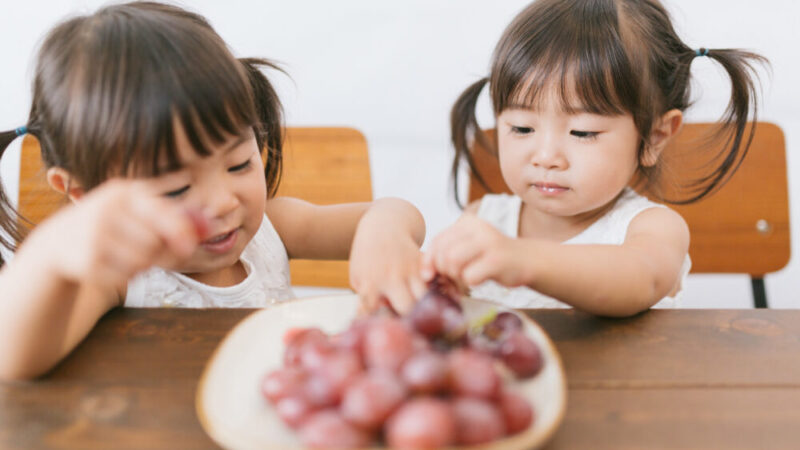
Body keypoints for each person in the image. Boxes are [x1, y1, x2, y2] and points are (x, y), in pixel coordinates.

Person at [0, 2, 425, 380]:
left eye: (239, 163)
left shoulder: (273, 228)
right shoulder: (119, 279)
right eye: (176, 189)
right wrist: (52, 254)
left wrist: (384, 232)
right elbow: (13, 357)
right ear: (82, 194)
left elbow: (398, 213)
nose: (223, 202)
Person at [421, 0, 765, 316]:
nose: (546, 157)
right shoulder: (484, 220)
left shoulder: (652, 230)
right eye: (523, 128)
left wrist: (523, 259)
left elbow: (639, 277)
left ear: (654, 137)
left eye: (582, 133)